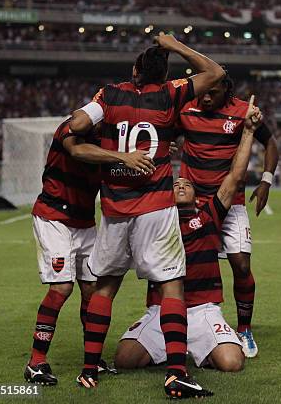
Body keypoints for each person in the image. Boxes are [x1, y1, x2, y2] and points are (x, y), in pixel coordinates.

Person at [69, 32, 225, 399]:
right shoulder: (171, 93)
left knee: (105, 285)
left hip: (115, 208)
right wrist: (175, 45)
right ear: (164, 72)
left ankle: (89, 369)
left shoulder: (109, 94)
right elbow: (214, 71)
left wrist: (102, 123)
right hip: (155, 208)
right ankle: (175, 374)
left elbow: (77, 126)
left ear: (136, 70)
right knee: (172, 285)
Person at [114, 96, 262, 373]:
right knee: (123, 360)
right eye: (176, 182)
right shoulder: (155, 218)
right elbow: (139, 179)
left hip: (202, 310)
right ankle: (180, 345)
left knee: (232, 363)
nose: (180, 183)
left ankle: (198, 342)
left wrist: (249, 132)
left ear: (197, 198)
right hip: (161, 309)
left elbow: (234, 177)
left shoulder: (208, 216)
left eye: (186, 183)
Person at [25, 119, 154, 385]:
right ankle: (36, 362)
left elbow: (126, 163)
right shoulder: (71, 128)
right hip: (53, 217)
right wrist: (124, 157)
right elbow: (77, 151)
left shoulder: (108, 141)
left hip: (84, 222)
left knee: (92, 291)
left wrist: (157, 151)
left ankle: (93, 360)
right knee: (61, 288)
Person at [176, 71, 279, 357]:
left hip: (229, 201)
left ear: (227, 91)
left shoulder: (243, 111)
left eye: (213, 92)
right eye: (202, 92)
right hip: (192, 204)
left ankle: (244, 329)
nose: (206, 97)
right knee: (185, 266)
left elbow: (270, 143)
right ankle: (182, 326)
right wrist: (168, 142)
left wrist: (266, 180)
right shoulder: (184, 107)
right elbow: (165, 133)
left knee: (241, 265)